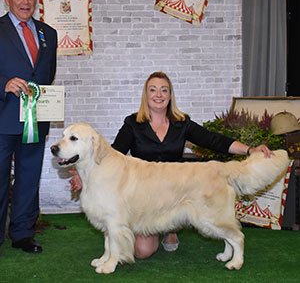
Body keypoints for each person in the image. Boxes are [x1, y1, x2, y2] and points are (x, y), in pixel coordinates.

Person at [70, 71, 272, 259]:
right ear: (146, 95)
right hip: (146, 195)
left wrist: (249, 150)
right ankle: (161, 229)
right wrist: (84, 172)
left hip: (179, 187)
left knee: (192, 212)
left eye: (164, 90)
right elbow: (113, 154)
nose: (158, 94)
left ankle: (171, 229)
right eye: (153, 89)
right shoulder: (133, 123)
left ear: (170, 95)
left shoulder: (181, 122)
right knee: (142, 251)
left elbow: (213, 140)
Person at [0, 0, 57, 253]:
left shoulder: (49, 33)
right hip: (2, 117)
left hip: (35, 120)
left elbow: (47, 75)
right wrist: (4, 84)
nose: (25, 2)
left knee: (28, 178)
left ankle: (22, 234)